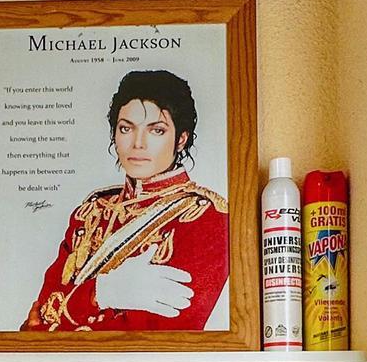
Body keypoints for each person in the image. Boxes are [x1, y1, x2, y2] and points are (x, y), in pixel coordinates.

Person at [22, 69, 229, 331]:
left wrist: (69, 313)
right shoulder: (90, 212)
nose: (138, 143)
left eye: (156, 130)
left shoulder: (208, 219)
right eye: (126, 128)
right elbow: (40, 321)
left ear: (181, 140)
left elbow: (163, 334)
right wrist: (100, 293)